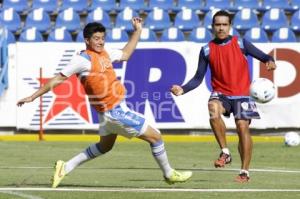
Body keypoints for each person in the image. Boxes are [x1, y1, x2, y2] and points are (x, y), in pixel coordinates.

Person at [17, 18, 192, 188]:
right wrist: (33, 96)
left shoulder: (106, 53)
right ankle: (169, 173)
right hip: (113, 112)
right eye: (96, 38)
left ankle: (66, 166)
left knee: (104, 146)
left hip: (109, 112)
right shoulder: (82, 59)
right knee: (156, 137)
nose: (100, 42)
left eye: (102, 38)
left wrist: (137, 31)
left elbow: (126, 54)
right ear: (87, 40)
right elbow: (57, 79)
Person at [170, 10, 276, 183]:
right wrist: (183, 89)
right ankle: (225, 152)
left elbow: (264, 56)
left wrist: (269, 61)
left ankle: (244, 172)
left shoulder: (241, 43)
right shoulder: (206, 50)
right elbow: (198, 78)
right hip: (221, 94)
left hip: (242, 95)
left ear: (230, 26)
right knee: (213, 108)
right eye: (217, 25)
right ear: (212, 27)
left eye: (224, 24)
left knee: (242, 127)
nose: (221, 28)